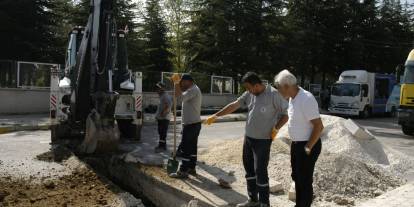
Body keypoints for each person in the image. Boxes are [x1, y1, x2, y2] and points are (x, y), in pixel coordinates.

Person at [204, 72, 288, 207]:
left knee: (260, 171)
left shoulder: (274, 94)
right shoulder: (250, 94)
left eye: (249, 88)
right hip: (248, 138)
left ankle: (264, 203)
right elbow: (234, 105)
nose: (247, 91)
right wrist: (216, 115)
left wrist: (276, 129)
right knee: (249, 169)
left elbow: (285, 115)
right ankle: (253, 199)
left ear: (257, 85)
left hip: (263, 140)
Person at [274, 70, 324, 207]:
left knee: (305, 180)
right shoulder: (292, 98)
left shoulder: (306, 98)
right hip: (296, 144)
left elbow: (319, 126)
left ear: (286, 86)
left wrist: (308, 147)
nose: (279, 92)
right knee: (296, 177)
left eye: (279, 88)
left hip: (308, 145)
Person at [169, 73, 202, 178]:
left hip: (191, 125)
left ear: (189, 81)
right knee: (192, 149)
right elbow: (180, 96)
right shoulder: (193, 90)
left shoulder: (193, 90)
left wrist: (176, 84)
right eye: (181, 82)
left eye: (183, 82)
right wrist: (178, 85)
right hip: (194, 124)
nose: (182, 84)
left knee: (186, 148)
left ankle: (183, 171)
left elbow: (179, 97)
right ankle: (191, 168)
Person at [154, 82, 172, 152]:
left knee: (163, 132)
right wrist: (157, 116)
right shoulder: (161, 96)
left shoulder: (165, 96)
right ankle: (161, 145)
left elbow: (169, 105)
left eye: (158, 88)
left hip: (165, 118)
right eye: (156, 88)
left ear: (163, 89)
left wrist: (163, 113)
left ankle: (162, 147)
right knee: (160, 132)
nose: (157, 90)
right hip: (161, 118)